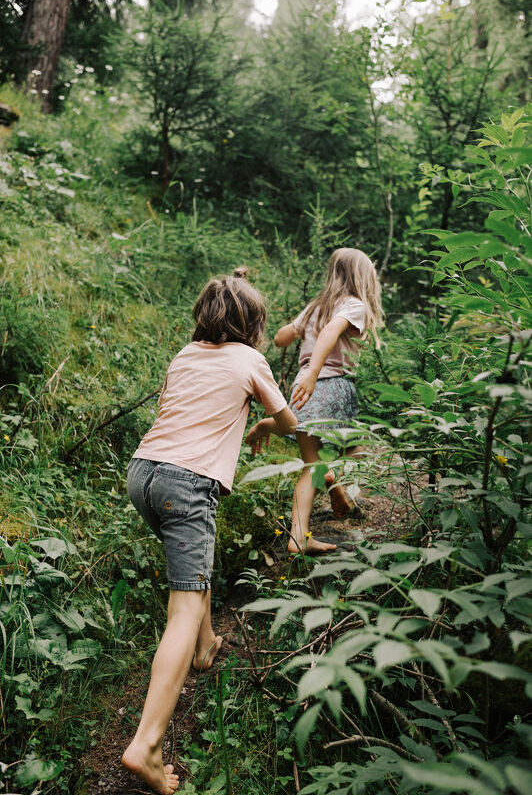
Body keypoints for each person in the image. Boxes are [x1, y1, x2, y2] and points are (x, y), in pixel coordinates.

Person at [122, 273, 296, 794]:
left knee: (191, 572)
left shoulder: (184, 355)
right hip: (187, 483)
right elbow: (288, 422)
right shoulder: (251, 361)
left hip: (144, 474)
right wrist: (263, 424)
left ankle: (205, 647)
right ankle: (146, 745)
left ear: (203, 315)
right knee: (184, 607)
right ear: (254, 324)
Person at [274, 248, 384, 554]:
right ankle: (337, 481)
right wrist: (314, 372)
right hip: (331, 384)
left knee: (310, 466)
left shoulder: (315, 306)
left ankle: (298, 536)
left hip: (302, 388)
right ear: (363, 278)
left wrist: (297, 334)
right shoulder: (354, 305)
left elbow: (281, 338)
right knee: (357, 446)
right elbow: (331, 332)